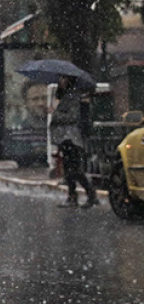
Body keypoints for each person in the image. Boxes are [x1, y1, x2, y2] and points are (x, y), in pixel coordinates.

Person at [50, 75, 98, 208]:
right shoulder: (65, 96)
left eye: (63, 79)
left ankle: (90, 194)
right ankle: (74, 196)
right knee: (69, 169)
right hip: (65, 138)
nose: (61, 81)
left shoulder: (72, 97)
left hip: (72, 138)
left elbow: (72, 116)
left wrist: (55, 113)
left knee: (74, 169)